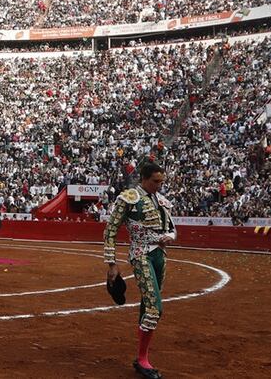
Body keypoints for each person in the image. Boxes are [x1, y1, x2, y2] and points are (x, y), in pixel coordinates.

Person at [103, 162, 176, 379]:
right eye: (155, 181)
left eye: (162, 181)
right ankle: (143, 360)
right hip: (140, 253)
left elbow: (172, 228)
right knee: (155, 308)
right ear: (143, 178)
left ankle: (141, 356)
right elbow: (110, 231)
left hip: (160, 256)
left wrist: (169, 237)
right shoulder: (128, 198)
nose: (159, 185)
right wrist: (112, 264)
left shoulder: (162, 201)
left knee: (148, 303)